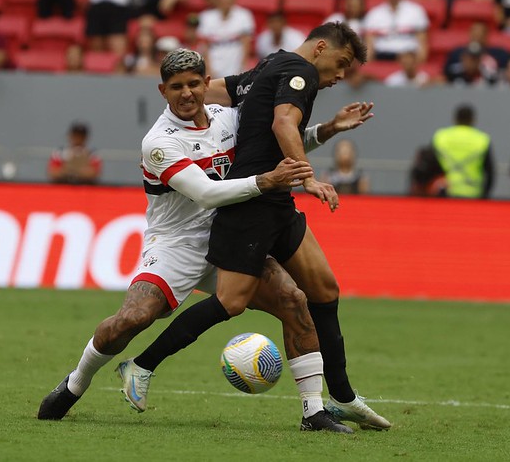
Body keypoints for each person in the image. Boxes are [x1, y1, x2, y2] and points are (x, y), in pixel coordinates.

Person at [38, 48, 385, 432]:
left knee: (294, 300)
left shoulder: (228, 116)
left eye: (192, 84)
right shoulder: (159, 143)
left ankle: (313, 413)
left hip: (230, 234)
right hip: (175, 244)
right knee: (132, 319)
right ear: (162, 91)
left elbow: (278, 148)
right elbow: (205, 193)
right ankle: (75, 383)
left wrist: (329, 129)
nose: (185, 93)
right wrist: (264, 182)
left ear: (207, 84)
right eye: (175, 87)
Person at [431, 104, 494, 199]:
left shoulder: (440, 137)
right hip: (473, 193)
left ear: (454, 119)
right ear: (473, 120)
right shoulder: (482, 139)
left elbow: (431, 165)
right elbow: (490, 172)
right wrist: (485, 195)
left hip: (445, 192)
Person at [363, 0, 429, 62]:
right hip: (382, 56)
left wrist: (420, 64)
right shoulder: (374, 14)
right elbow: (369, 45)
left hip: (408, 56)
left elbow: (422, 43)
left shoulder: (416, 11)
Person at [197, 0, 255, 77]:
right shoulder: (206, 17)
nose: (226, 2)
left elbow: (246, 43)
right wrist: (208, 69)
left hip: (235, 65)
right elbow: (204, 46)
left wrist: (242, 67)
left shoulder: (244, 15)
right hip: (214, 64)